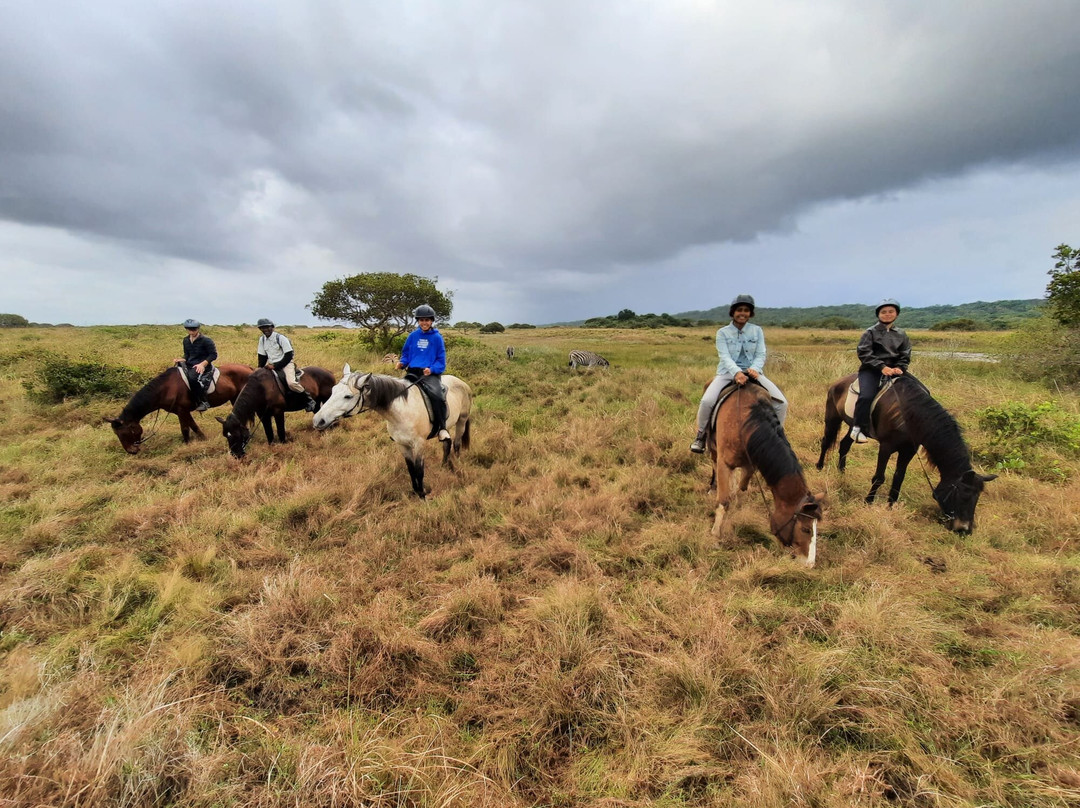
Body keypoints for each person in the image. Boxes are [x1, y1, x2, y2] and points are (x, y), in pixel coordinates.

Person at [690, 294, 788, 453]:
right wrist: (736, 373)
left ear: (751, 313)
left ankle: (777, 437)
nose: (743, 313)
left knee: (782, 403)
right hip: (727, 373)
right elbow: (724, 356)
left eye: (746, 310)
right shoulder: (722, 333)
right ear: (733, 312)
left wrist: (754, 369)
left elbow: (761, 353)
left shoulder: (757, 331)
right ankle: (700, 436)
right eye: (739, 310)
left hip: (753, 372)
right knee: (707, 401)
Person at [850, 298, 911, 443]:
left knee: (922, 391)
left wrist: (900, 367)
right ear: (878, 314)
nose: (887, 314)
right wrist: (882, 367)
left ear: (896, 314)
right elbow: (864, 353)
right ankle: (857, 428)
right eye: (884, 312)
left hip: (895, 370)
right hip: (872, 370)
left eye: (891, 311)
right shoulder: (870, 332)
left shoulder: (901, 334)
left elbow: (905, 354)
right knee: (866, 396)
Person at [396, 304, 451, 442]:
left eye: (427, 320)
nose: (424, 323)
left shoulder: (437, 338)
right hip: (413, 372)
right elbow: (406, 353)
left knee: (438, 396)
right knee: (398, 394)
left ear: (432, 321)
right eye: (421, 320)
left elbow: (441, 360)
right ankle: (400, 427)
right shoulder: (413, 336)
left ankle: (442, 428)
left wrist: (431, 369)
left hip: (429, 374)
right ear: (418, 321)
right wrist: (402, 362)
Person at [256, 318, 318, 412]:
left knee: (291, 383)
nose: (265, 330)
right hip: (271, 364)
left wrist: (276, 366)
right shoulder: (262, 339)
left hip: (286, 363)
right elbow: (262, 356)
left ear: (272, 327)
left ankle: (308, 400)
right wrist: (260, 369)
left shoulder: (280, 338)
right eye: (262, 328)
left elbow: (289, 355)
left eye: (267, 327)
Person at [175, 318, 216, 412]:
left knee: (192, 378)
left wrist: (202, 364)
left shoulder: (206, 340)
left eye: (194, 329)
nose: (192, 331)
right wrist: (182, 359)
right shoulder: (186, 340)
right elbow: (187, 354)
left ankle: (203, 401)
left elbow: (213, 355)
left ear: (198, 329)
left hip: (203, 365)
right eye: (189, 329)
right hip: (189, 364)